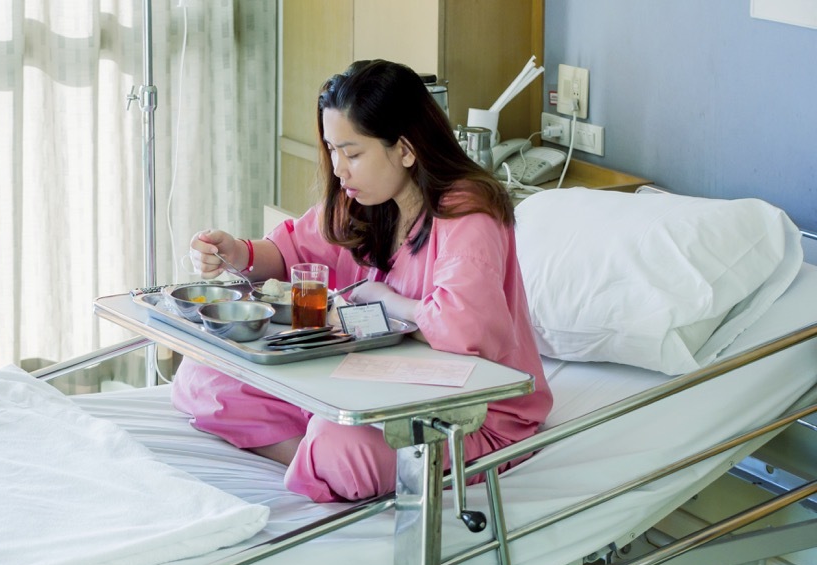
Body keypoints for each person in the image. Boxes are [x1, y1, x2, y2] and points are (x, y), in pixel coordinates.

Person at [172, 59, 552, 503]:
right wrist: (239, 252)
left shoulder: (467, 211)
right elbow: (296, 250)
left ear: (406, 149)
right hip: (366, 386)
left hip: (468, 411)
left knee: (342, 447)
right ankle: (310, 457)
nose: (339, 170)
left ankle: (324, 456)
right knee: (202, 376)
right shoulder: (365, 199)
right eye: (333, 150)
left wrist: (390, 303)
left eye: (352, 153)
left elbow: (464, 328)